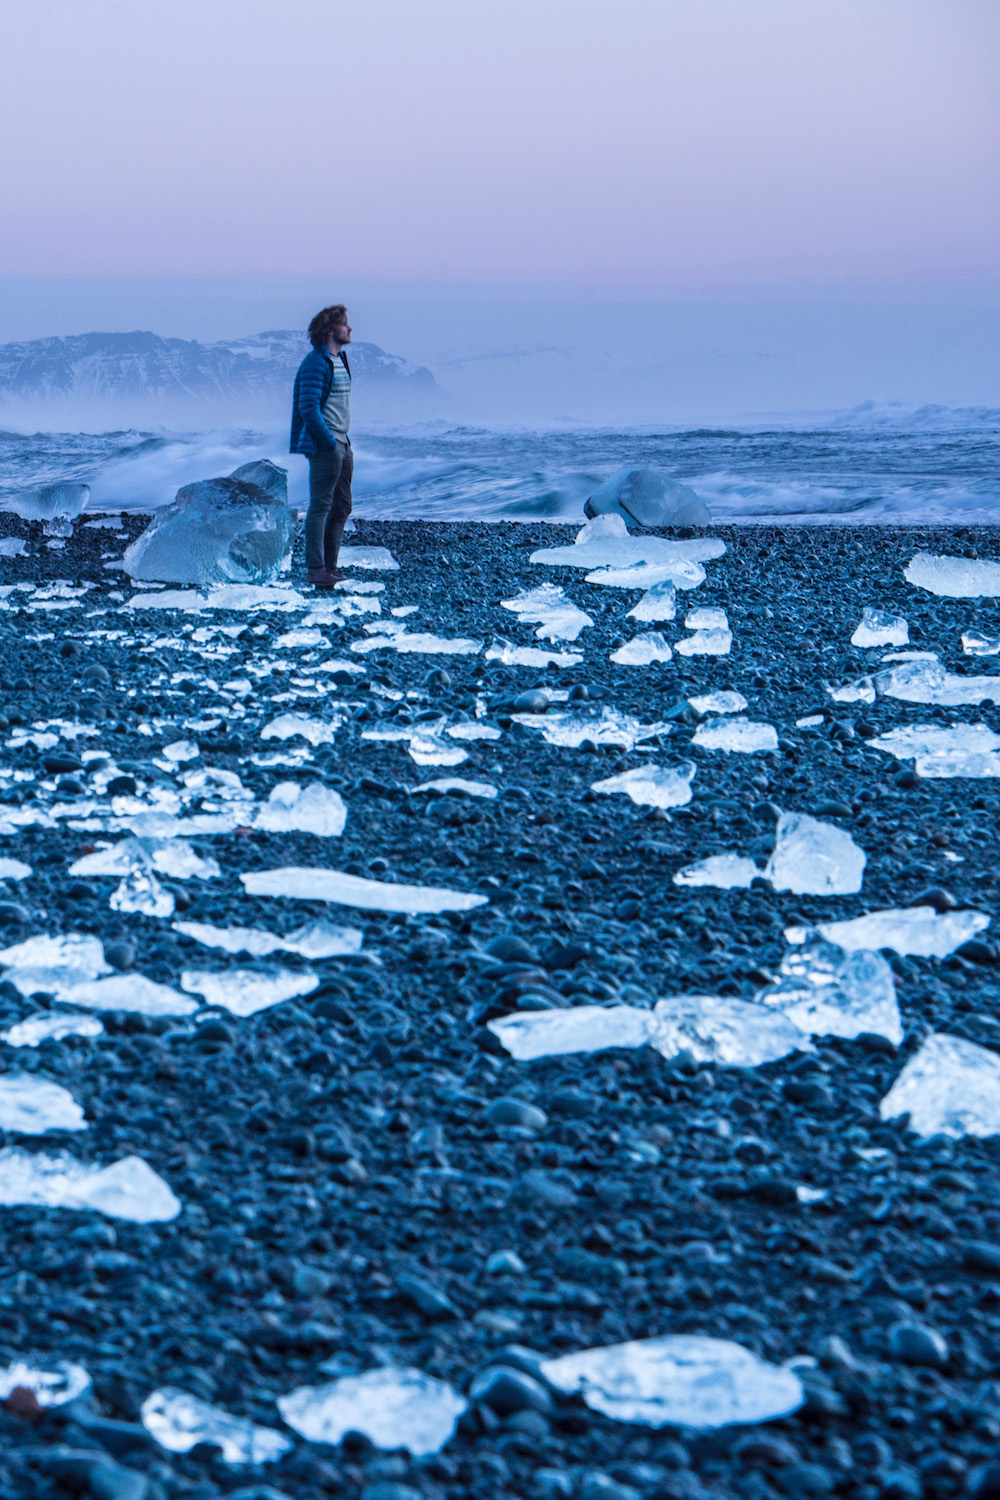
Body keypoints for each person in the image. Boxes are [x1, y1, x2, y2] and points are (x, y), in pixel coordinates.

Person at [290, 304, 354, 587]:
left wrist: (342, 442)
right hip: (326, 445)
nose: (350, 328)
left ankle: (331, 566)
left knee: (342, 506)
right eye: (344, 324)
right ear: (330, 330)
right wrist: (328, 442)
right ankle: (315, 569)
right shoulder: (315, 363)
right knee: (320, 506)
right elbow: (308, 408)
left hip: (343, 442)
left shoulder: (340, 359)